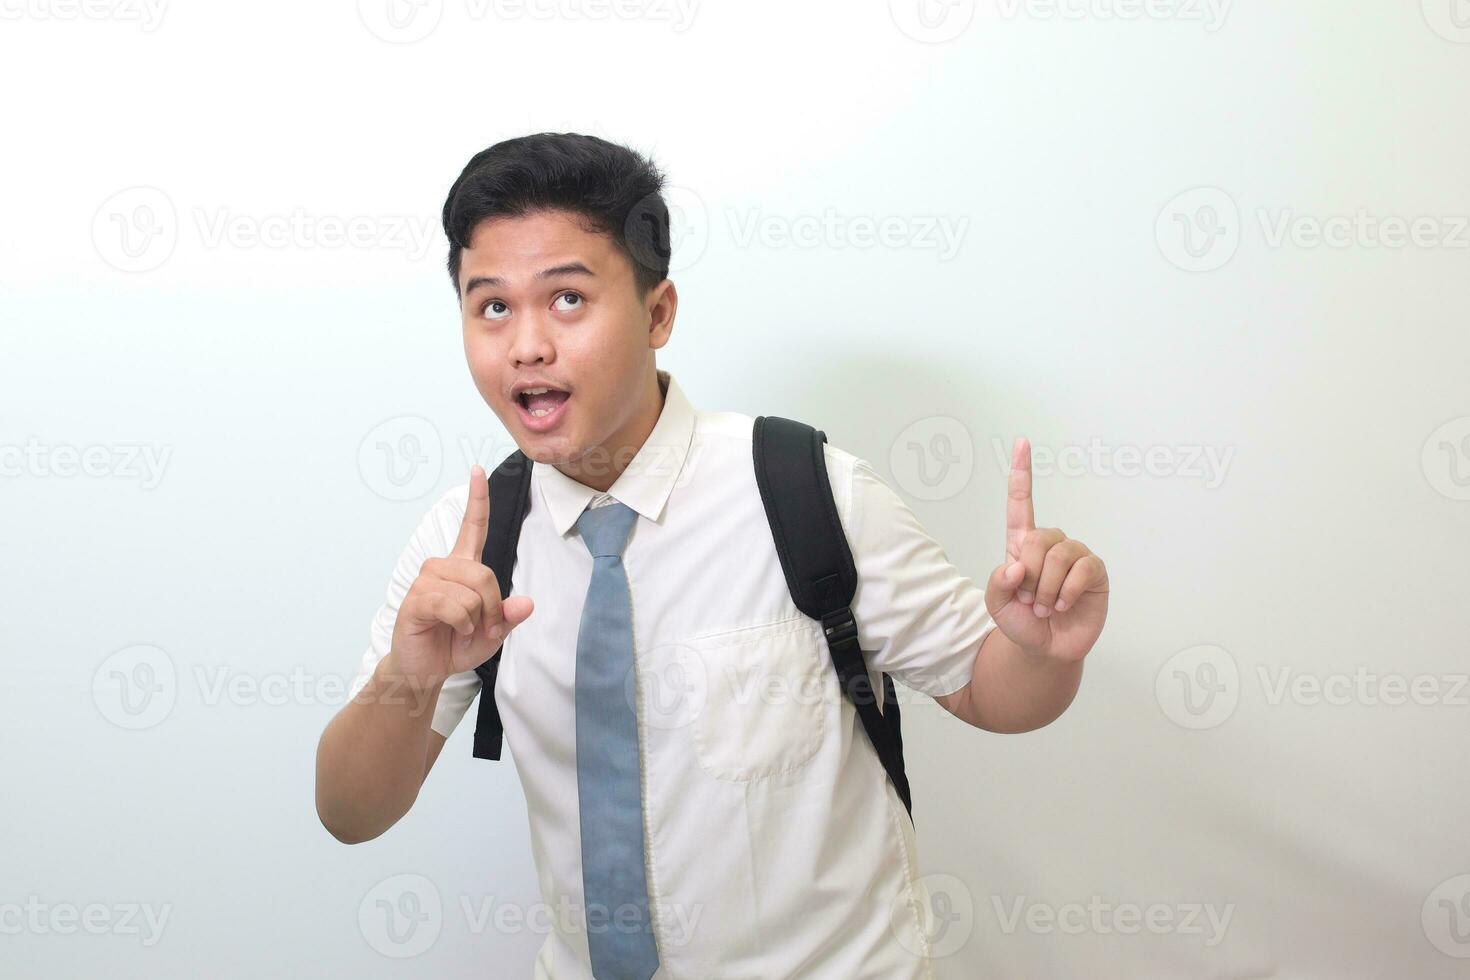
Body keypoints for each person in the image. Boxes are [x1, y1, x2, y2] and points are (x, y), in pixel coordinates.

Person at [315, 132, 1110, 978]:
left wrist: (1035, 647)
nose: (527, 346)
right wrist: (410, 675)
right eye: (493, 307)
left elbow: (991, 693)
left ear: (658, 312)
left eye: (569, 300)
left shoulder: (804, 490)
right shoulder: (470, 541)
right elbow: (351, 812)